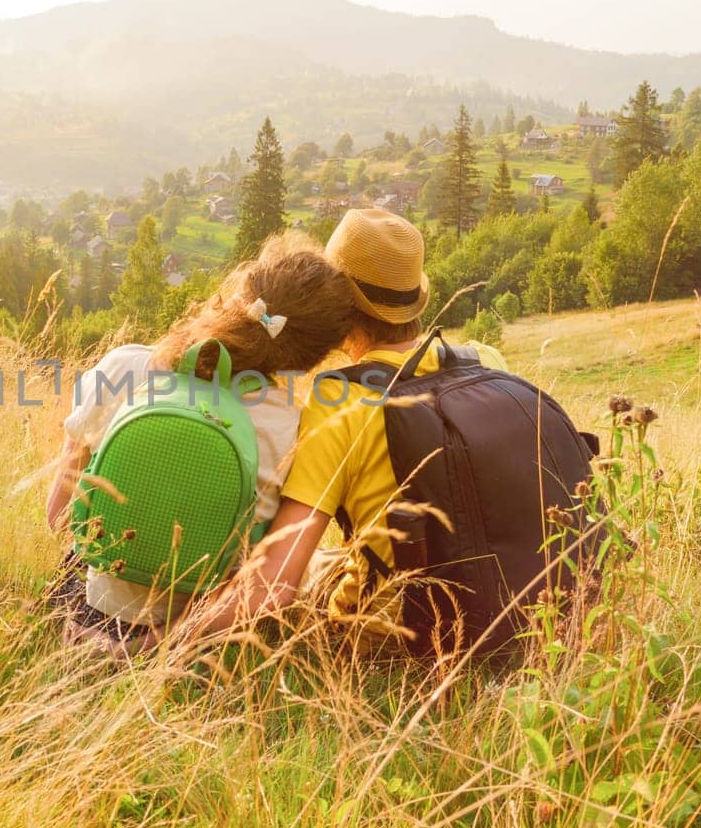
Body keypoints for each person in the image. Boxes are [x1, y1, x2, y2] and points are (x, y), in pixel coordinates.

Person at [179, 208, 512, 648]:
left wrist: (158, 642)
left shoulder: (341, 401)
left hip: (402, 627)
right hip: (520, 600)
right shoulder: (483, 360)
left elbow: (273, 587)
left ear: (339, 304)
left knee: (307, 566)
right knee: (324, 561)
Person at [44, 233, 357, 651]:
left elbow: (61, 517)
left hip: (90, 610)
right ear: (313, 357)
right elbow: (267, 582)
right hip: (210, 636)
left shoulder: (122, 366)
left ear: (241, 293)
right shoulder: (293, 428)